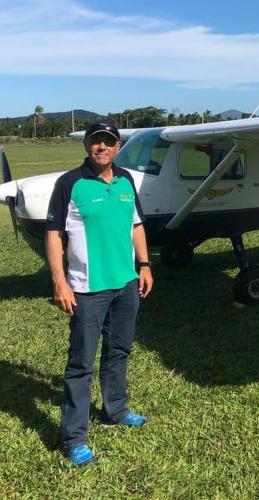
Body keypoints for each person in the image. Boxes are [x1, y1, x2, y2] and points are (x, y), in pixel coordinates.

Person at [45, 122, 154, 467]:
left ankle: (116, 409)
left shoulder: (126, 181)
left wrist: (146, 264)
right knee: (80, 364)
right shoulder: (70, 184)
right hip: (87, 290)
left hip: (126, 283)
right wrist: (60, 282)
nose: (101, 147)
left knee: (118, 350)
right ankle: (75, 437)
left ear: (118, 146)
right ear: (87, 147)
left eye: (108, 142)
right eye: (96, 142)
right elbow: (53, 234)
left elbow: (136, 224)